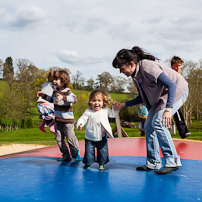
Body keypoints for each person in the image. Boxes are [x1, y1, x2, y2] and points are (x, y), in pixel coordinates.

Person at [112, 46, 189, 174]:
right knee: (148, 125)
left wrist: (168, 109)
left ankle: (172, 160)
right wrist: (124, 104)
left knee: (159, 122)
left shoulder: (148, 67)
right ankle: (153, 162)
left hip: (177, 91)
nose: (121, 71)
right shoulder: (135, 75)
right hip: (162, 97)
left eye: (122, 68)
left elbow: (171, 85)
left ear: (131, 64)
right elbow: (142, 97)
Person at [37, 70, 82, 162]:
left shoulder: (67, 91)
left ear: (63, 80)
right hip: (58, 120)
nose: (54, 81)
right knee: (58, 139)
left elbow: (75, 99)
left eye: (56, 79)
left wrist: (63, 98)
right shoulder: (54, 92)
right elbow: (50, 99)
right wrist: (43, 96)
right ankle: (65, 155)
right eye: (54, 79)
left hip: (67, 121)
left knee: (70, 138)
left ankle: (76, 153)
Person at [76, 88, 119, 171]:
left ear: (103, 102)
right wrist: (80, 124)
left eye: (99, 100)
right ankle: (88, 163)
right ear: (90, 102)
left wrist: (115, 108)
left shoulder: (105, 110)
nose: (96, 103)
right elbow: (83, 118)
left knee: (103, 152)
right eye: (94, 100)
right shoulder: (88, 111)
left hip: (102, 137)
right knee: (89, 153)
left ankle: (101, 164)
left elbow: (113, 114)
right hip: (90, 138)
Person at [171, 56, 191, 138]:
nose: (178, 68)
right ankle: (183, 131)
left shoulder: (180, 73)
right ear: (172, 66)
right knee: (175, 111)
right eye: (176, 66)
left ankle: (183, 131)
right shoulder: (171, 73)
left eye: (179, 65)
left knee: (176, 111)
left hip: (181, 93)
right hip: (173, 94)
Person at [37, 69, 55, 134]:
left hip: (40, 104)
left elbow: (44, 94)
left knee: (47, 114)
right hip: (46, 104)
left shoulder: (44, 84)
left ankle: (42, 125)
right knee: (58, 110)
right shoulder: (53, 85)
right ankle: (53, 127)